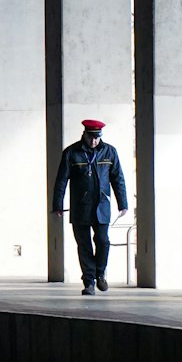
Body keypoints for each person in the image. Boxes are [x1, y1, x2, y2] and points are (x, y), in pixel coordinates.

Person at [52, 118, 128, 295]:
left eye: (97, 137)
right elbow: (61, 181)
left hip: (102, 207)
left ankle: (100, 274)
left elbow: (118, 178)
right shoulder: (71, 153)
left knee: (103, 242)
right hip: (80, 208)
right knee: (84, 246)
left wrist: (122, 203)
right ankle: (89, 282)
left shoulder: (110, 152)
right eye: (91, 137)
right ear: (84, 134)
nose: (94, 141)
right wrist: (58, 204)